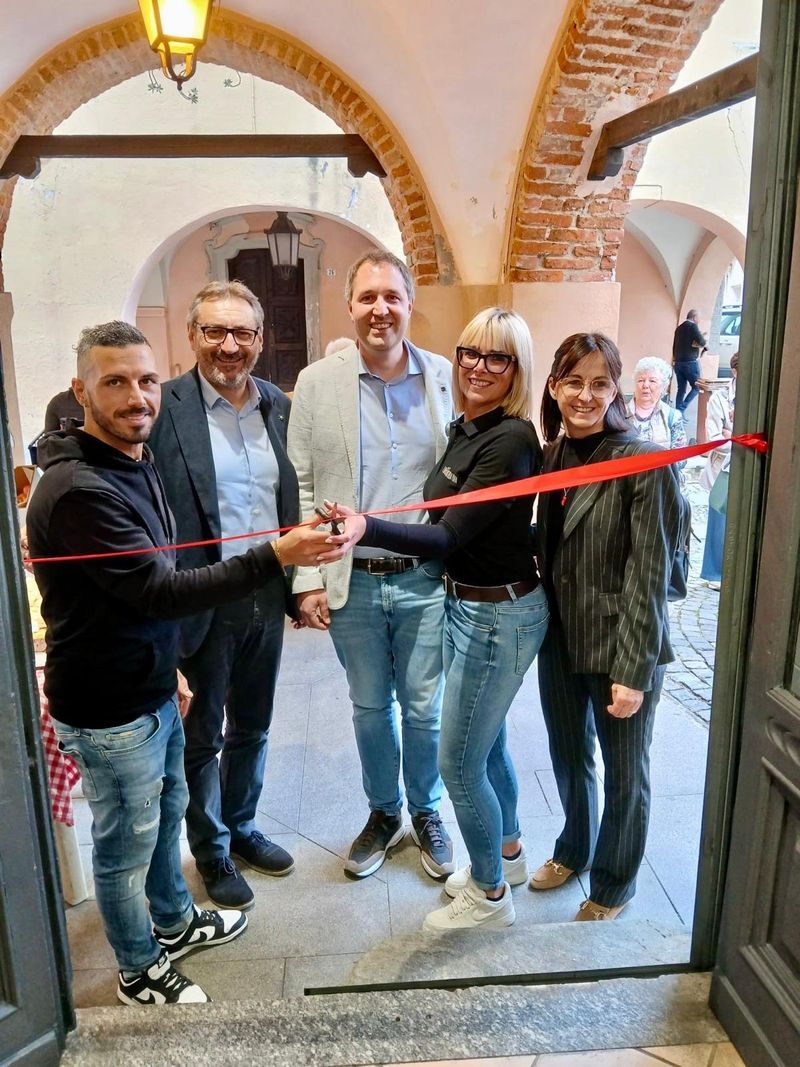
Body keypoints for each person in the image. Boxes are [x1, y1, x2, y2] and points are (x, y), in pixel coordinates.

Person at [25, 321, 341, 1005]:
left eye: (145, 380)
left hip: (147, 681)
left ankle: (173, 920)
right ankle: (139, 968)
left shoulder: (129, 460)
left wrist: (166, 663)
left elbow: (134, 593)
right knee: (126, 847)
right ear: (81, 390)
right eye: (115, 382)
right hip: (109, 706)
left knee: (167, 815)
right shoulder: (79, 488)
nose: (137, 396)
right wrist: (276, 555)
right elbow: (159, 588)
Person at [324, 308, 549, 931]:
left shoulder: (509, 438)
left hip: (498, 614)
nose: (479, 367)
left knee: (459, 763)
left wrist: (367, 526)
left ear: (518, 369)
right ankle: (507, 855)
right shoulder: (468, 426)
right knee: (489, 743)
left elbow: (448, 535)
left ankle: (489, 895)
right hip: (472, 604)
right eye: (470, 352)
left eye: (497, 357)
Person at [287, 249, 455, 881]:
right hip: (351, 579)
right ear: (349, 306)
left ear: (410, 303)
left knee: (424, 709)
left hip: (424, 579)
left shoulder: (442, 377)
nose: (380, 309)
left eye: (392, 296)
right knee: (369, 707)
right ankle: (384, 813)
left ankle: (427, 811)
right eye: (367, 297)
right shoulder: (316, 383)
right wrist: (307, 579)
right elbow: (303, 485)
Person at [148, 280, 299, 912]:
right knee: (202, 733)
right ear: (193, 336)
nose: (229, 345)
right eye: (215, 331)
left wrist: (301, 586)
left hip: (265, 589)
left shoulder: (277, 405)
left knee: (254, 724)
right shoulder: (165, 406)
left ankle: (242, 826)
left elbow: (293, 494)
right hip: (200, 593)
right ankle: (210, 850)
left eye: (242, 332)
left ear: (260, 339)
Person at [535, 332, 681, 920]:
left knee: (626, 772)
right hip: (560, 640)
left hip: (622, 645)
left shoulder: (641, 461)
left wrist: (634, 671)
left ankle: (615, 882)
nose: (586, 396)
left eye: (600, 384)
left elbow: (650, 575)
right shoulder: (553, 455)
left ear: (615, 389)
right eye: (574, 382)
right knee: (570, 757)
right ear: (554, 386)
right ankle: (575, 849)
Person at [699, 351, 739, 590]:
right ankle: (714, 574)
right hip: (722, 468)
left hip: (743, 465)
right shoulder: (719, 398)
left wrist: (731, 434)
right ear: (734, 372)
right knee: (719, 521)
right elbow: (714, 439)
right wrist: (736, 439)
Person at [626, 356, 687, 479]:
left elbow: (681, 458)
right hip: (627, 481)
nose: (645, 385)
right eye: (640, 380)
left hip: (660, 482)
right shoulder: (620, 414)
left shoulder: (672, 416)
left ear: (663, 386)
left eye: (652, 381)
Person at [672, 309, 707, 413]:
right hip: (690, 362)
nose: (699, 320)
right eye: (699, 318)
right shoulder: (693, 326)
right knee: (697, 387)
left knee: (681, 389)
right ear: (694, 317)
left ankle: (677, 414)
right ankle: (681, 409)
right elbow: (701, 341)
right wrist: (704, 340)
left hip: (678, 362)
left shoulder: (679, 328)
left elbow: (674, 346)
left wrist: (674, 360)